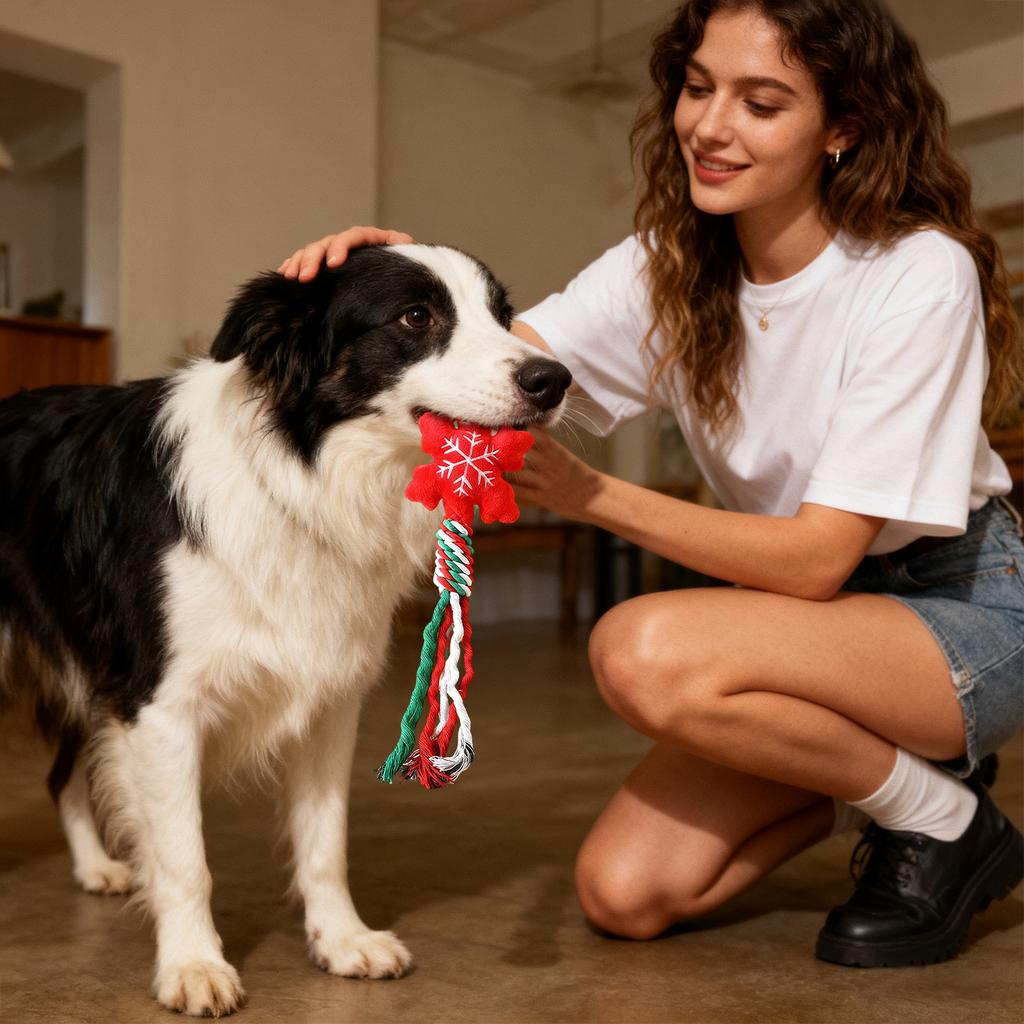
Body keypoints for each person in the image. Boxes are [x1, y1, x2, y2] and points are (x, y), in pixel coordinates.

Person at [277, 0, 1023, 968]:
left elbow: (814, 558)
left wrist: (587, 493)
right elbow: (487, 372)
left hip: (955, 610)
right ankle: (887, 782)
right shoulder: (665, 266)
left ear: (842, 128)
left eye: (761, 104)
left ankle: (947, 820)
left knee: (641, 650)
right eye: (698, 88)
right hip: (802, 630)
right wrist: (391, 285)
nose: (709, 126)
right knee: (624, 893)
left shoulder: (917, 272)